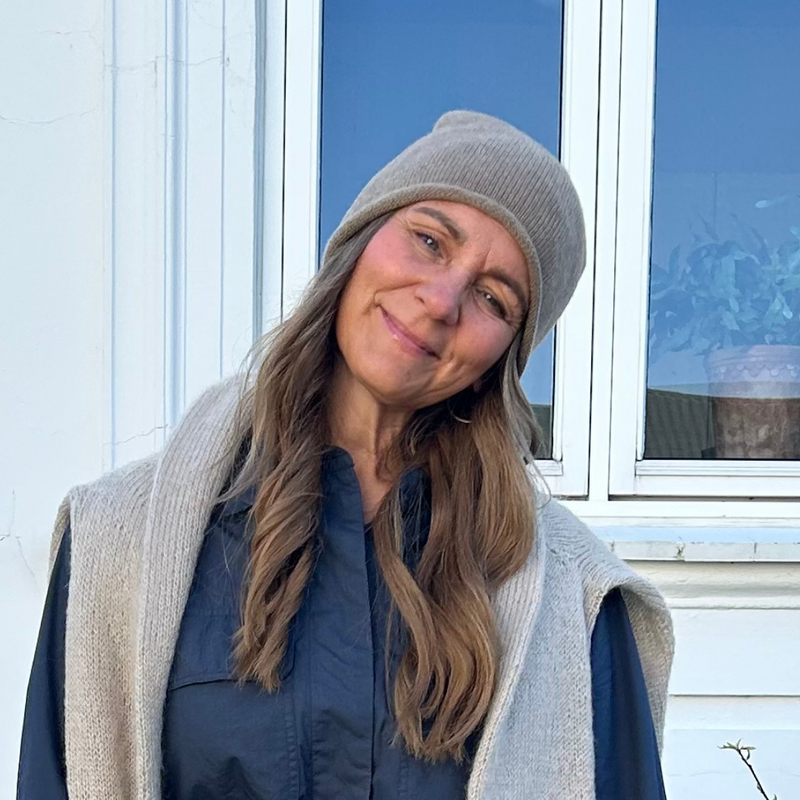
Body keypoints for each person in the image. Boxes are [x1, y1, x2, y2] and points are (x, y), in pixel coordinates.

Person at [17, 110, 674, 799]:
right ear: (360, 241)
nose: (441, 300)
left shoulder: (570, 601)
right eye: (428, 241)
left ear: (503, 358)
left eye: (493, 298)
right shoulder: (120, 541)